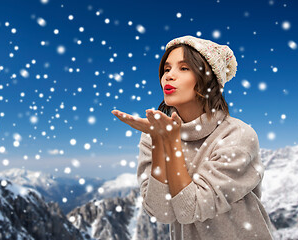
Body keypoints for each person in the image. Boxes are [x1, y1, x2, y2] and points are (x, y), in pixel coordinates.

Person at [111, 35, 274, 239]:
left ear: (207, 79)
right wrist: (160, 143)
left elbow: (191, 210)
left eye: (184, 68)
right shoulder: (154, 134)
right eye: (167, 69)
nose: (169, 76)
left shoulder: (237, 136)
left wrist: (170, 143)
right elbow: (161, 212)